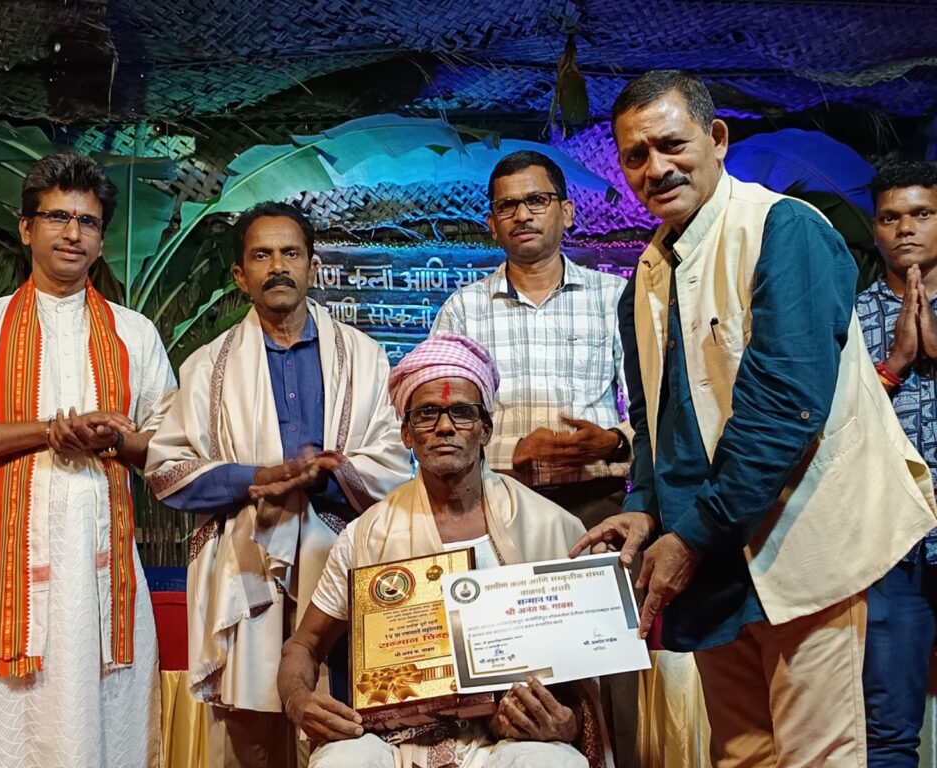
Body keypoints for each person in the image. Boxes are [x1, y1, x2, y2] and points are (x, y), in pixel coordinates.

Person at [573, 69, 937, 766]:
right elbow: (653, 417)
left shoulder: (783, 229)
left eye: (672, 144)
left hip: (797, 540)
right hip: (714, 556)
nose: (656, 168)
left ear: (716, 138)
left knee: (815, 754)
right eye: (636, 156)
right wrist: (645, 508)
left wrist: (690, 536)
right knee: (740, 754)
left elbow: (784, 406)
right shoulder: (646, 276)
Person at [0, 152, 177, 768]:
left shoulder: (134, 334)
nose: (72, 233)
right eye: (58, 217)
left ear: (101, 239)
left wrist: (113, 440)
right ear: (26, 227)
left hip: (103, 586)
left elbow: (172, 445)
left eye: (87, 221)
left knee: (105, 734)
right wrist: (47, 432)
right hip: (10, 588)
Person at [145, 202, 412, 768]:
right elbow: (167, 471)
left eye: (290, 253)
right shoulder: (207, 367)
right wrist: (259, 479)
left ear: (313, 266)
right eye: (261, 255)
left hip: (341, 557)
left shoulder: (364, 357)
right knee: (252, 733)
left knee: (343, 721)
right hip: (245, 564)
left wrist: (332, 474)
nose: (277, 267)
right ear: (240, 276)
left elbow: (394, 460)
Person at [277, 333, 610, 768]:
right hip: (393, 741)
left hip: (506, 739)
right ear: (406, 433)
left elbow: (587, 676)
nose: (445, 426)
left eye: (462, 412)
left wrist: (565, 723)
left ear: (486, 429)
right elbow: (303, 646)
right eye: (427, 413)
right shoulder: (366, 536)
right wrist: (300, 701)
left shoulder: (553, 528)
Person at [431, 150, 637, 764]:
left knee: (603, 665)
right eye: (507, 206)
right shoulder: (463, 310)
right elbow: (441, 420)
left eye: (537, 200)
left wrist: (612, 441)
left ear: (567, 212)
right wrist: (509, 451)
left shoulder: (616, 298)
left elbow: (656, 409)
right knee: (505, 672)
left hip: (597, 510)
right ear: (492, 224)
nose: (522, 214)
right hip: (497, 510)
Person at [856, 161, 937, 766]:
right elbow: (829, 429)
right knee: (887, 731)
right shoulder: (847, 317)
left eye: (921, 214)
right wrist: (894, 365)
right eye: (890, 217)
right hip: (891, 546)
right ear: (874, 228)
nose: (905, 228)